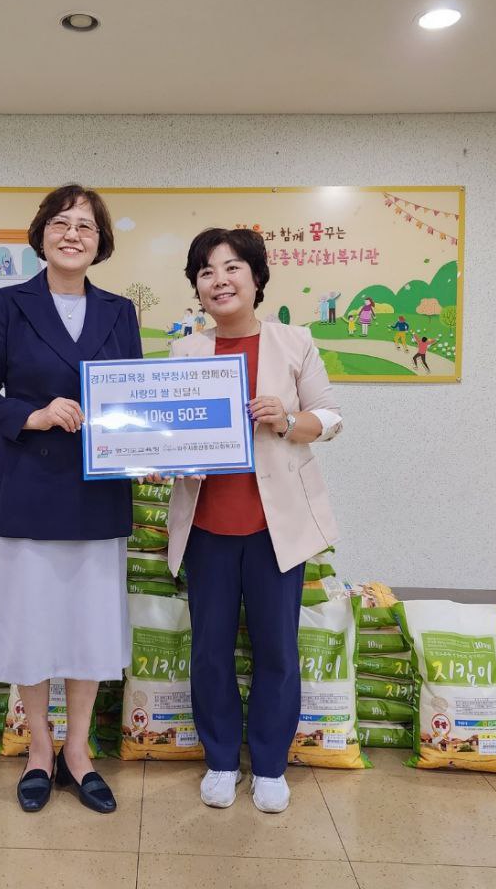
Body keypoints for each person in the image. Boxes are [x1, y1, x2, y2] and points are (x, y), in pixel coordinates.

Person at [0, 184, 141, 815]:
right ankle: (39, 749)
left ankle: (79, 751)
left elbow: (133, 398)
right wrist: (32, 416)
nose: (72, 235)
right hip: (27, 490)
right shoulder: (9, 304)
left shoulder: (120, 311)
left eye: (86, 226)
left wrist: (153, 448)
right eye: (61, 223)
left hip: (97, 492)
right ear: (40, 235)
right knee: (30, 624)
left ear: (101, 242)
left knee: (89, 625)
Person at [163, 227, 342, 815]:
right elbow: (168, 430)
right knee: (210, 650)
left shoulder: (294, 342)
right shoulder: (185, 352)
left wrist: (287, 419)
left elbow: (330, 417)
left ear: (257, 278)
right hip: (207, 526)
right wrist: (157, 455)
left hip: (275, 528)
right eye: (206, 271)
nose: (220, 280)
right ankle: (220, 760)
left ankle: (268, 765)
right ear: (197, 288)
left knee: (277, 651)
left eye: (232, 267)